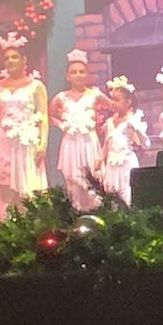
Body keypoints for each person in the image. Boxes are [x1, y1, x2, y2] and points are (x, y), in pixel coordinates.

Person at [0, 36, 48, 217]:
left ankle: (27, 232)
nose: (10, 61)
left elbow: (43, 117)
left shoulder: (36, 86)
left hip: (26, 144)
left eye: (14, 57)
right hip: (1, 142)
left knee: (27, 196)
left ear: (24, 59)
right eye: (7, 58)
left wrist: (42, 144)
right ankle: (6, 230)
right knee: (5, 196)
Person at [50, 46, 103, 209]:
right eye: (74, 72)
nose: (78, 75)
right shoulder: (61, 97)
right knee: (73, 182)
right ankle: (77, 214)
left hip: (89, 142)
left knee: (93, 181)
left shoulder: (94, 94)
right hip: (71, 143)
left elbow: (114, 107)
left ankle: (96, 213)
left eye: (81, 71)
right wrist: (62, 124)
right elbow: (50, 115)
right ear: (67, 76)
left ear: (87, 74)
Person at [97, 78, 147, 204]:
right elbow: (107, 143)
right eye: (112, 99)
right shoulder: (110, 122)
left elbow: (144, 142)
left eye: (117, 100)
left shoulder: (131, 121)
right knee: (112, 194)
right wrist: (100, 159)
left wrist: (137, 131)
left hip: (125, 162)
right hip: (112, 164)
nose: (113, 103)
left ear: (128, 102)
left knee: (126, 192)